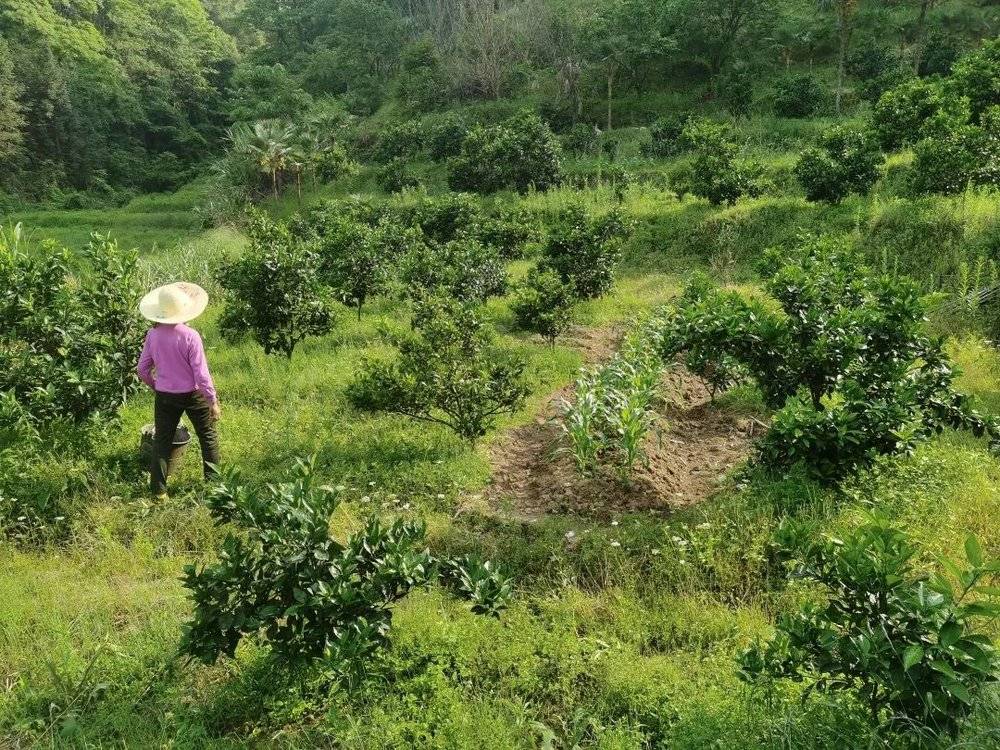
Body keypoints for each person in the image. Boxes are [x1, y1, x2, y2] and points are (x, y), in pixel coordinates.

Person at [137, 282, 221, 497]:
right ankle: (213, 488)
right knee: (207, 436)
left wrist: (158, 386)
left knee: (162, 441)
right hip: (193, 394)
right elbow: (201, 375)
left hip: (165, 396)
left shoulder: (152, 335)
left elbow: (142, 369)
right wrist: (212, 401)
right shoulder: (190, 335)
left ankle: (159, 493)